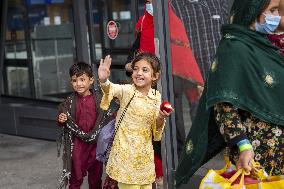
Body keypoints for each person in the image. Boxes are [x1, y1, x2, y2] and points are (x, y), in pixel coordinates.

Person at [175, 0, 284, 186]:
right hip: (255, 157)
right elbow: (224, 105)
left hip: (277, 157)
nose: (277, 16)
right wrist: (243, 145)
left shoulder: (263, 45)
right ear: (252, 11)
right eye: (272, 10)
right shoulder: (234, 49)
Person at [98, 52, 173, 189]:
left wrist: (161, 117)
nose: (139, 73)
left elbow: (156, 131)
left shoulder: (156, 96)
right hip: (125, 158)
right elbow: (112, 89)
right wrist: (104, 80)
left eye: (145, 70)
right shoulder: (126, 91)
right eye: (136, 69)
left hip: (144, 159)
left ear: (155, 76)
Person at [57, 62, 115, 189]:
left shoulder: (100, 99)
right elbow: (63, 114)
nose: (79, 84)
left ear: (91, 80)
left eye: (82, 79)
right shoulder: (70, 102)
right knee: (75, 179)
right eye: (74, 80)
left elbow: (107, 118)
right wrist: (61, 118)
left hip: (96, 145)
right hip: (78, 146)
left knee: (95, 178)